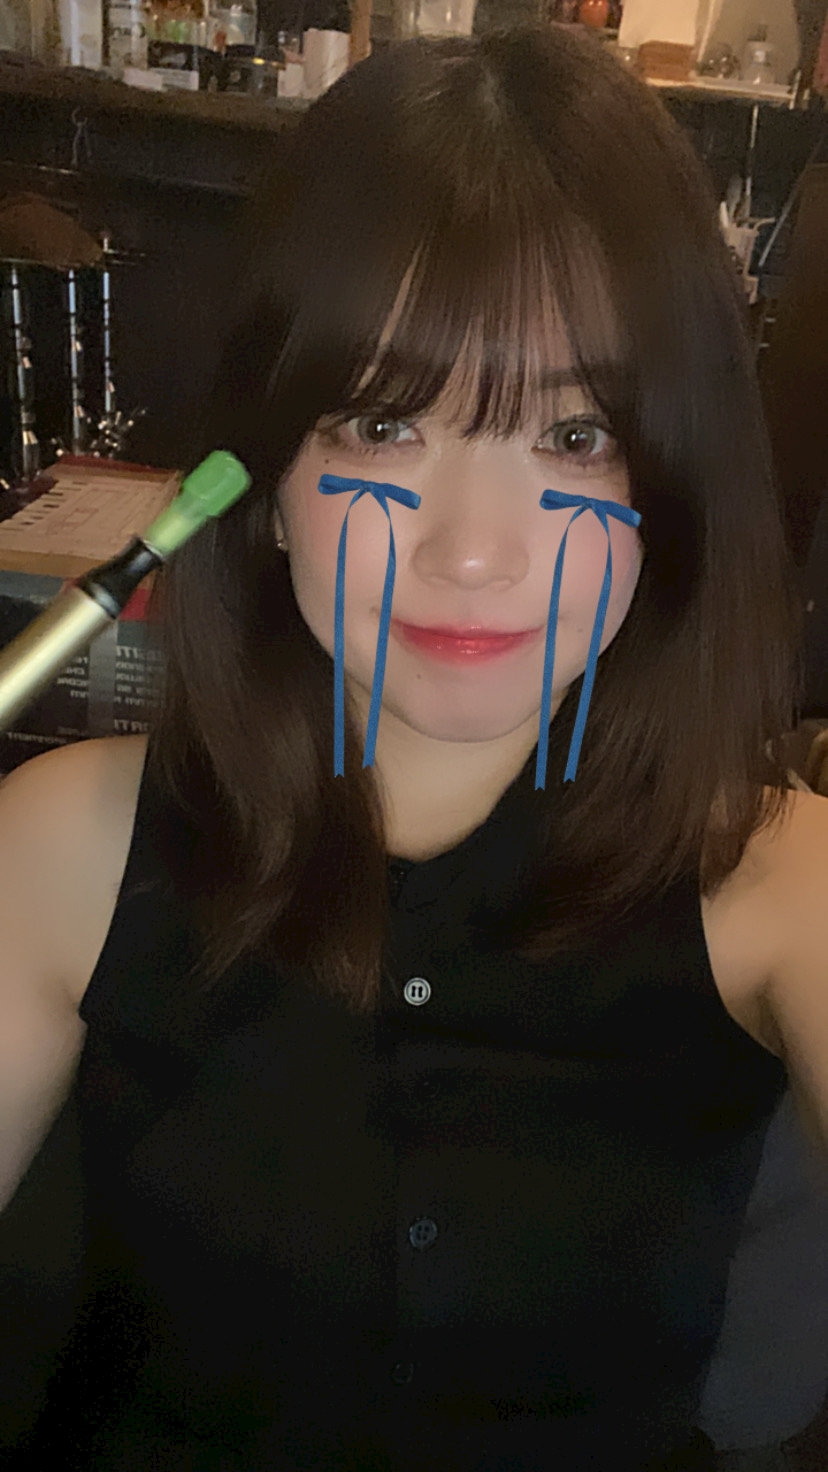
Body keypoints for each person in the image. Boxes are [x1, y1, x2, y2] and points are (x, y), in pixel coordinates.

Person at [1, 22, 828, 1472]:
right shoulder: (64, 845)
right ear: (261, 483)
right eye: (383, 426)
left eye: (577, 438)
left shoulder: (784, 886)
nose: (473, 554)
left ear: (676, 486)